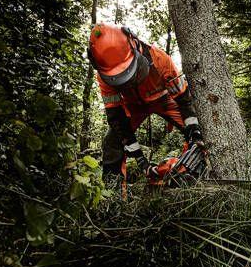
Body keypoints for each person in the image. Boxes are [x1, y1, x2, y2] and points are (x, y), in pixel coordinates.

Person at [87, 23, 203, 189]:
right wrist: (140, 158)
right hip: (133, 106)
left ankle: (192, 173)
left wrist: (195, 133)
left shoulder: (160, 60)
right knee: (112, 141)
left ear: (134, 43)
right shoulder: (104, 76)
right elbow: (117, 118)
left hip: (163, 100)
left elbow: (183, 99)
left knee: (198, 129)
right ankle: (113, 194)